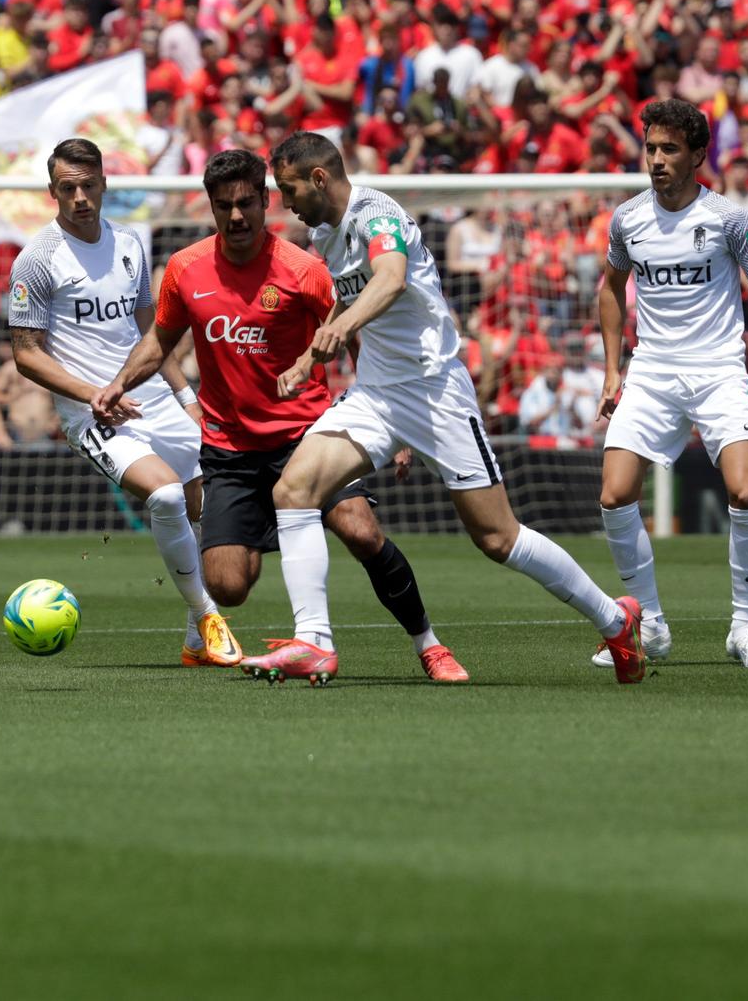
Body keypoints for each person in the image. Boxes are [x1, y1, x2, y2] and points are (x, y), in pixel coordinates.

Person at [253, 133, 646, 685]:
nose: (283, 201)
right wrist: (306, 357)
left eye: (288, 188)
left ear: (319, 178)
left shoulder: (376, 212)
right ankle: (313, 641)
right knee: (292, 491)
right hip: (376, 393)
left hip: (436, 393)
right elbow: (351, 291)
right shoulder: (324, 232)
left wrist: (339, 330)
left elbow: (388, 278)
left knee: (497, 538)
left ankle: (614, 618)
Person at [92, 149, 469, 683]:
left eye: (247, 203)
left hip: (308, 434)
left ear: (267, 201)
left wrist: (392, 419)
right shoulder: (185, 268)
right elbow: (159, 342)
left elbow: (356, 331)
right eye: (225, 206)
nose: (237, 216)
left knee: (361, 533)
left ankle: (429, 644)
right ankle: (278, 537)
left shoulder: (303, 268)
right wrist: (116, 386)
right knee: (227, 585)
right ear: (212, 207)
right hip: (230, 450)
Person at [593, 99, 748, 671]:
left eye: (670, 149)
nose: (657, 159)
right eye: (650, 148)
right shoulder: (628, 219)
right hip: (652, 370)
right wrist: (613, 370)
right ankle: (648, 624)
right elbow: (610, 290)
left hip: (719, 367)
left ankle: (743, 629)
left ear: (698, 155)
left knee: (744, 492)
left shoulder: (729, 218)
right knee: (614, 494)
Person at [6, 137, 241, 668]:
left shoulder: (132, 243)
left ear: (105, 185)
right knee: (163, 498)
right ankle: (206, 612)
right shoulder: (37, 261)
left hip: (153, 395)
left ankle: (194, 642)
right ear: (53, 192)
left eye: (89, 186)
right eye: (68, 188)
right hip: (91, 411)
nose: (80, 197)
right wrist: (93, 395)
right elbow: (25, 355)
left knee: (203, 504)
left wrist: (187, 396)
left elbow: (151, 331)